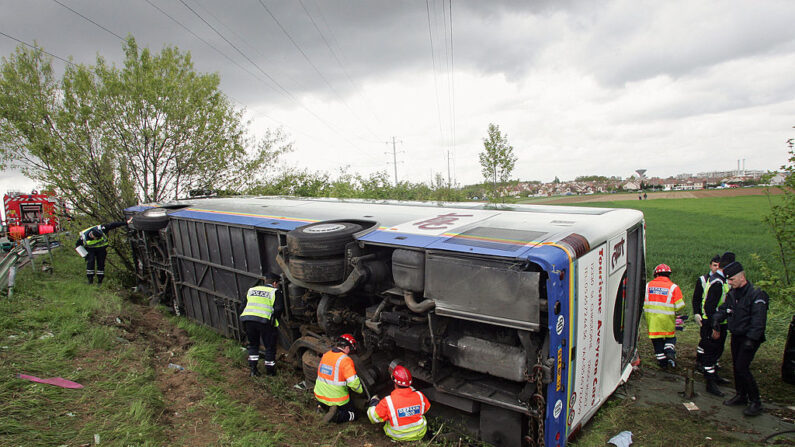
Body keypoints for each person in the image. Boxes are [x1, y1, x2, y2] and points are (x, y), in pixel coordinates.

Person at [712, 261, 769, 417]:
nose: (729, 283)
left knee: (743, 367)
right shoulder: (732, 293)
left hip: (749, 337)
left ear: (742, 277)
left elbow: (759, 320)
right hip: (737, 334)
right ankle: (741, 395)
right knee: (737, 367)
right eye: (728, 280)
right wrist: (717, 319)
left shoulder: (756, 295)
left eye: (732, 280)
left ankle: (756, 401)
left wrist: (751, 339)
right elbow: (724, 309)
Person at [696, 253, 733, 396]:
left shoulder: (721, 280)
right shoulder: (717, 283)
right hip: (712, 323)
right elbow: (709, 308)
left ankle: (714, 376)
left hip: (720, 322)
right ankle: (710, 382)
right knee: (710, 353)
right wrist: (715, 327)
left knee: (717, 351)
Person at [367, 365, 431, 442]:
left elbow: (373, 417)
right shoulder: (420, 396)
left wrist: (374, 401)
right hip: (419, 434)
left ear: (394, 381)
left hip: (398, 436)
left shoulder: (388, 401)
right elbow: (426, 409)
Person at [239, 277, 284, 377]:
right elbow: (279, 308)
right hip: (264, 322)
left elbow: (242, 307)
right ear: (274, 283)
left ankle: (253, 370)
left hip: (248, 320)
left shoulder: (252, 290)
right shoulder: (275, 292)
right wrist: (274, 318)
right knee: (269, 347)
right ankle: (270, 372)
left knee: (253, 344)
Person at [315, 334, 364, 423]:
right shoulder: (345, 360)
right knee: (353, 414)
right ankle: (336, 416)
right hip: (337, 399)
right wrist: (361, 391)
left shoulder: (326, 354)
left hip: (319, 394)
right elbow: (353, 383)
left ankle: (320, 406)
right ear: (346, 347)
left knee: (325, 401)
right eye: (350, 349)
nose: (349, 351)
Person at [644, 263, 685, 368]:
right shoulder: (674, 287)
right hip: (667, 320)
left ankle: (663, 363)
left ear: (656, 275)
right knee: (670, 337)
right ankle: (669, 351)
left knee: (657, 341)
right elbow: (680, 305)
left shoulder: (648, 286)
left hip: (652, 320)